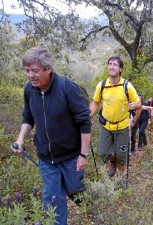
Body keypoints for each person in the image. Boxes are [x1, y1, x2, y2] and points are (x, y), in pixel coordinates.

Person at [11, 47, 91, 225]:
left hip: (72, 157)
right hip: (46, 159)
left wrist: (83, 155)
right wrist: (20, 138)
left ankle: (101, 213)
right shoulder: (29, 90)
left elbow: (84, 122)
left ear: (48, 69)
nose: (30, 75)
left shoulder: (66, 88)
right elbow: (28, 116)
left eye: (35, 70)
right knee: (53, 201)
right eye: (27, 71)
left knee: (78, 193)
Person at [89, 56, 141, 177]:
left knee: (121, 156)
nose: (111, 67)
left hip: (122, 126)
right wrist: (89, 115)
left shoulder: (127, 86)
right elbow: (96, 102)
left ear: (121, 69)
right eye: (110, 64)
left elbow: (138, 104)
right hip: (106, 126)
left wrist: (135, 107)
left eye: (115, 65)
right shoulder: (101, 85)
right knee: (102, 153)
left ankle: (121, 179)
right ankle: (112, 162)